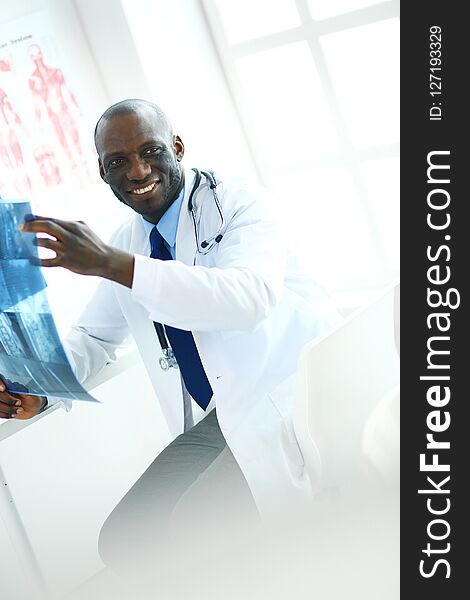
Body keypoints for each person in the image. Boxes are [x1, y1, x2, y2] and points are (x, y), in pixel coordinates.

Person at [0, 99, 338, 573]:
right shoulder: (129, 240)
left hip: (291, 394)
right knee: (125, 537)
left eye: (151, 151)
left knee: (197, 527)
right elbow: (94, 339)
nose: (137, 170)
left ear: (178, 147)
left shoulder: (239, 203)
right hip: (226, 412)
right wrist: (30, 385)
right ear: (103, 173)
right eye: (117, 161)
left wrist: (113, 265)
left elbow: (248, 298)